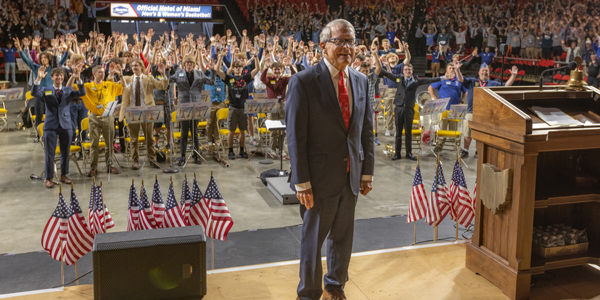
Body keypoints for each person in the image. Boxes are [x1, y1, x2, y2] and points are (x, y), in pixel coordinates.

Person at [286, 19, 374, 300]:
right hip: (317, 178)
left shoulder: (361, 80)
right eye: (340, 41)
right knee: (313, 241)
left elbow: (366, 131)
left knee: (343, 236)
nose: (347, 47)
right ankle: (309, 293)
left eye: (351, 41)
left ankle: (335, 285)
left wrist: (366, 171)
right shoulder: (303, 81)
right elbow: (295, 137)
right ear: (323, 46)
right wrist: (301, 181)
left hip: (350, 174)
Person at [374, 52, 440, 161]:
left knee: (408, 132)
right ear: (403, 71)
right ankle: (397, 154)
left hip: (409, 109)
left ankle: (409, 153)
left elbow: (429, 80)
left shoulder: (416, 80)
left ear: (412, 71)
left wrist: (443, 78)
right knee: (398, 132)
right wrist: (377, 60)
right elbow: (385, 73)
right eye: (405, 70)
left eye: (409, 70)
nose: (407, 71)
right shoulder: (398, 78)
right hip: (399, 108)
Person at [32, 66, 86, 188]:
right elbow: (34, 93)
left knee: (65, 152)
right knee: (49, 153)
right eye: (56, 75)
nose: (59, 77)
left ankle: (64, 175)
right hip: (50, 125)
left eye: (61, 75)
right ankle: (49, 178)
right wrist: (38, 79)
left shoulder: (68, 90)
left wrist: (79, 80)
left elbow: (82, 93)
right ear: (52, 77)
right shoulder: (46, 89)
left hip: (66, 125)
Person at [118, 58, 169, 170]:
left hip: (147, 111)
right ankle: (135, 160)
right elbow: (117, 85)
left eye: (136, 65)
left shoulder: (149, 78)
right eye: (133, 66)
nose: (134, 68)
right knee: (133, 139)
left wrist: (163, 74)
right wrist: (115, 74)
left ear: (141, 66)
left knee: (149, 138)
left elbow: (162, 86)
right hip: (132, 112)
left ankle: (152, 159)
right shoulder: (127, 79)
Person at [458, 63, 517, 158]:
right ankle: (466, 150)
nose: (484, 72)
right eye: (483, 70)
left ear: (489, 74)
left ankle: (479, 151)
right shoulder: (472, 82)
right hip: (472, 111)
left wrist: (513, 76)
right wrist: (457, 70)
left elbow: (506, 86)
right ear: (479, 72)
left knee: (482, 133)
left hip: (486, 114)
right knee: (467, 130)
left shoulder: (493, 84)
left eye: (486, 71)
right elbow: (461, 79)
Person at [169, 54, 216, 166]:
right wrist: (167, 70)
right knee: (184, 133)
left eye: (191, 63)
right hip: (184, 107)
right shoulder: (179, 73)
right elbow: (169, 81)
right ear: (184, 64)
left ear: (194, 64)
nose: (189, 65)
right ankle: (182, 156)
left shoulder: (199, 73)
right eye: (187, 63)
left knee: (195, 132)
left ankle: (196, 155)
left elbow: (211, 82)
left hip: (196, 107)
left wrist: (213, 70)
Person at [79, 64, 123, 177]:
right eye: (100, 72)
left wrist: (119, 74)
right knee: (94, 144)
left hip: (108, 116)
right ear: (94, 74)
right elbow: (74, 88)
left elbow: (124, 87)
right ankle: (93, 168)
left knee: (109, 143)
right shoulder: (88, 86)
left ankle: (110, 165)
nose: (102, 74)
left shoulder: (109, 85)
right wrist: (76, 76)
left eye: (103, 72)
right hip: (94, 117)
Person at [215, 52, 260, 160]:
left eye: (240, 67)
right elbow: (217, 70)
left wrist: (256, 57)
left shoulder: (245, 78)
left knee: (242, 131)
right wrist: (220, 56)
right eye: (236, 67)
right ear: (233, 69)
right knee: (231, 130)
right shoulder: (229, 79)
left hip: (243, 108)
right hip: (233, 107)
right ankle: (230, 151)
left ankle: (241, 150)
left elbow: (257, 69)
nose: (238, 69)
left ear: (242, 68)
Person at [428, 62, 467, 153]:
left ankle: (454, 146)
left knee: (454, 129)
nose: (452, 70)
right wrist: (436, 99)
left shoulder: (459, 80)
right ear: (446, 70)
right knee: (442, 128)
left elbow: (465, 91)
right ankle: (439, 146)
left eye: (453, 68)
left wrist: (462, 101)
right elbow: (430, 88)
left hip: (455, 108)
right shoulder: (442, 79)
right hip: (443, 108)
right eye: (450, 68)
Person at [260, 59, 295, 156]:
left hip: (282, 103)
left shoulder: (284, 79)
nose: (277, 71)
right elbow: (262, 78)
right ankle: (272, 149)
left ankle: (281, 149)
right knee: (273, 129)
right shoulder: (269, 79)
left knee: (283, 129)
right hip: (271, 104)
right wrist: (266, 68)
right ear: (272, 70)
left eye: (279, 69)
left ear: (282, 70)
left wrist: (291, 67)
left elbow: (294, 77)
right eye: (275, 69)